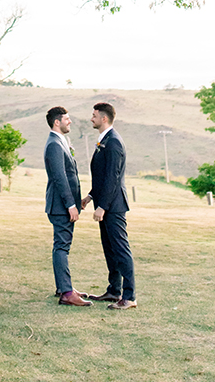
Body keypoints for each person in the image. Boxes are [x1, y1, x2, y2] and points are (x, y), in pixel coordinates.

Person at [82, 102, 136, 310]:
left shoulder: (113, 142)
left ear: (104, 118)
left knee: (121, 249)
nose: (91, 118)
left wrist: (102, 206)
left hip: (114, 206)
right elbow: (102, 176)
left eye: (94, 115)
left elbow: (113, 177)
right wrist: (90, 196)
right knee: (110, 249)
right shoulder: (104, 140)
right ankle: (114, 291)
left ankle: (129, 296)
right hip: (105, 203)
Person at [44, 106, 91, 307]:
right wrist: (70, 204)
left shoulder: (61, 142)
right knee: (62, 247)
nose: (70, 122)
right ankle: (66, 292)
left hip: (64, 204)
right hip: (60, 206)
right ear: (57, 122)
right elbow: (60, 177)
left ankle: (64, 286)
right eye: (67, 119)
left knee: (62, 246)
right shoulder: (54, 144)